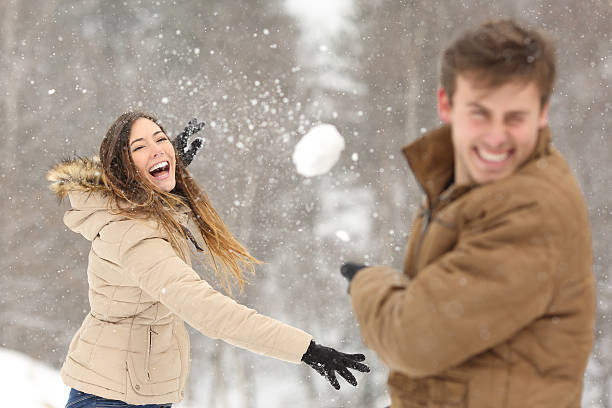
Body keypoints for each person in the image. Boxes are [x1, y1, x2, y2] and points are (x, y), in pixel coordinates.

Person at [339, 19, 595, 407]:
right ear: (447, 104)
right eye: (480, 113)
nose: (495, 136)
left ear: (542, 111)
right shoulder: (463, 186)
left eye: (515, 117)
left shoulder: (534, 208)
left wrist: (367, 284)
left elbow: (413, 338)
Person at [47, 112, 369, 408]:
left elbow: (143, 200)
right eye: (140, 147)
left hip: (130, 389)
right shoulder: (135, 235)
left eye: (161, 139)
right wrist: (305, 349)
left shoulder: (138, 208)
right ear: (122, 167)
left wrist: (162, 173)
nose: (159, 148)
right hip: (114, 396)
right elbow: (207, 310)